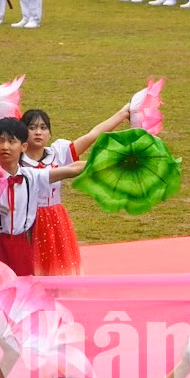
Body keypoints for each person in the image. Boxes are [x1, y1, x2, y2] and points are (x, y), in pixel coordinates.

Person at [0, 117, 84, 276]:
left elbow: (72, 169)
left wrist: (99, 161)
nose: (5, 147)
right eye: (0, 141)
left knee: (25, 289)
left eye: (11, 142)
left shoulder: (31, 176)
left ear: (23, 146)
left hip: (21, 245)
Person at [18, 103, 129, 276]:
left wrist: (123, 113)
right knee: (30, 271)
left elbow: (93, 135)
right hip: (26, 221)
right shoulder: (16, 162)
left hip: (55, 220)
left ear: (50, 134)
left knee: (57, 270)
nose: (38, 132)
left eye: (43, 127)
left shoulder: (59, 153)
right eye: (31, 128)